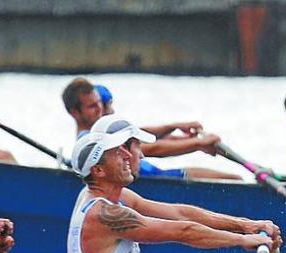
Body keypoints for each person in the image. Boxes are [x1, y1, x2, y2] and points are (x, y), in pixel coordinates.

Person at [67, 128, 274, 253]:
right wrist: (241, 240)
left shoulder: (115, 196)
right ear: (98, 171)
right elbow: (182, 231)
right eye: (118, 154)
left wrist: (245, 225)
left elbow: (179, 213)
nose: (129, 155)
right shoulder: (104, 214)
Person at [60, 77, 238, 181]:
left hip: (162, 176)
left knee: (236, 180)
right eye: (92, 106)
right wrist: (198, 144)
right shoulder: (89, 142)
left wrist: (177, 129)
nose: (100, 109)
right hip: (158, 182)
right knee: (235, 180)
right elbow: (152, 148)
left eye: (100, 103)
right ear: (75, 112)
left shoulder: (105, 132)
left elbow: (142, 135)